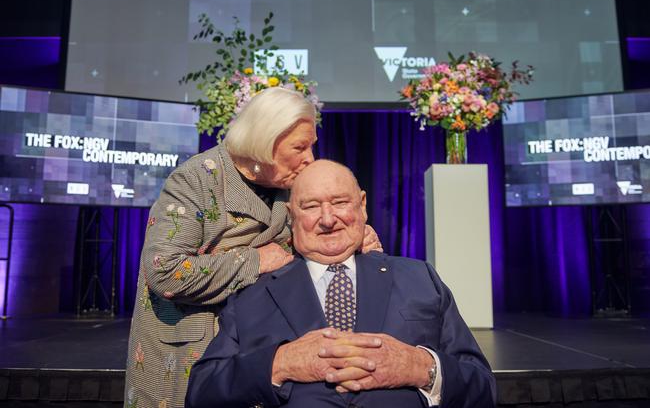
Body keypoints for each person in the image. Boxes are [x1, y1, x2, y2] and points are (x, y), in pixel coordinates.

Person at [124, 89, 381, 408]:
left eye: (311, 146)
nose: (310, 159)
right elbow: (165, 271)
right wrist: (255, 260)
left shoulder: (289, 184)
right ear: (264, 142)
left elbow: (311, 239)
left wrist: (355, 236)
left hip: (257, 346)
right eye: (300, 147)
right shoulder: (195, 181)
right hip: (189, 348)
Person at [186, 159, 496, 408]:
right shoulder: (253, 294)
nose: (328, 218)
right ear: (292, 216)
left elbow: (482, 387)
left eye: (339, 202)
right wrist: (278, 364)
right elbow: (202, 392)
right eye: (310, 206)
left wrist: (421, 368)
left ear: (362, 205)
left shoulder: (420, 278)